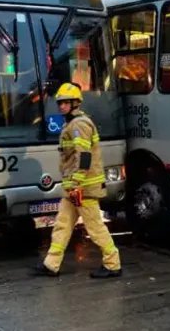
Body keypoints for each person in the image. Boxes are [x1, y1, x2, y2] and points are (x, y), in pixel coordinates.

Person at [33, 82, 122, 278]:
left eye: (66, 102)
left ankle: (113, 264)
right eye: (60, 103)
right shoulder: (72, 123)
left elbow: (84, 157)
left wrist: (75, 184)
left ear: (75, 103)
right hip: (75, 188)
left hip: (83, 188)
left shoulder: (79, 125)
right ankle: (51, 264)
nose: (62, 106)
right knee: (62, 225)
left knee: (94, 227)